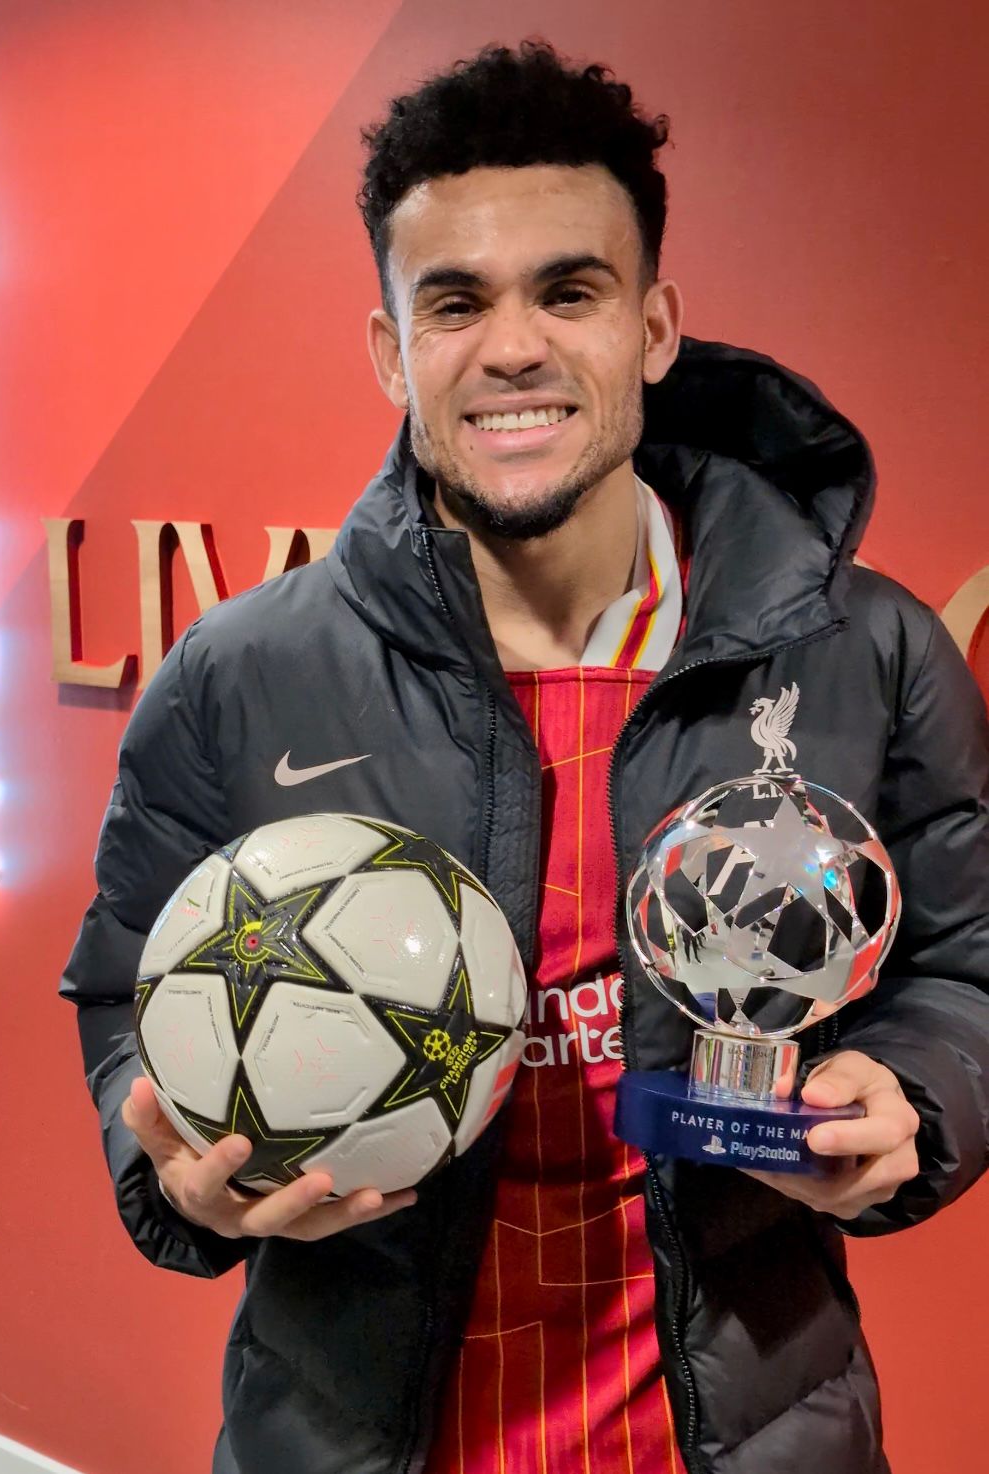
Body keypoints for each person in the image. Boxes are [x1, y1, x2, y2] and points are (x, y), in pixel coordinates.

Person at [61, 41, 989, 1474]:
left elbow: (966, 964)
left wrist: (918, 1095)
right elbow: (132, 978)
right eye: (454, 302)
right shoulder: (237, 677)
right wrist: (183, 1170)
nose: (513, 348)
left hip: (744, 1431)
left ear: (657, 326)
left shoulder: (865, 649)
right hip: (361, 1434)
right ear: (390, 351)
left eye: (570, 289)